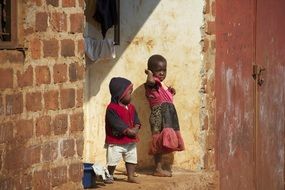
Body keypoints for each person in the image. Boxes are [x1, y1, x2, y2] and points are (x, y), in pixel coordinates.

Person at [144, 54, 185, 177]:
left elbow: (165, 97)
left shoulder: (162, 85)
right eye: (158, 70)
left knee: (163, 142)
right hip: (158, 116)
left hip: (168, 116)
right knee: (158, 141)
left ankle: (160, 167)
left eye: (164, 70)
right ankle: (158, 168)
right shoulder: (152, 83)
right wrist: (149, 74)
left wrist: (170, 91)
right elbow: (150, 82)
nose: (161, 73)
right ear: (151, 71)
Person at [104, 77, 141, 184]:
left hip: (130, 140)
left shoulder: (131, 107)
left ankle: (130, 176)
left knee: (131, 158)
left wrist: (136, 128)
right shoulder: (112, 109)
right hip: (116, 141)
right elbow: (116, 123)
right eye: (130, 92)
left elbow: (136, 119)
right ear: (120, 94)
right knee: (113, 159)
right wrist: (127, 131)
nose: (131, 95)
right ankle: (109, 174)